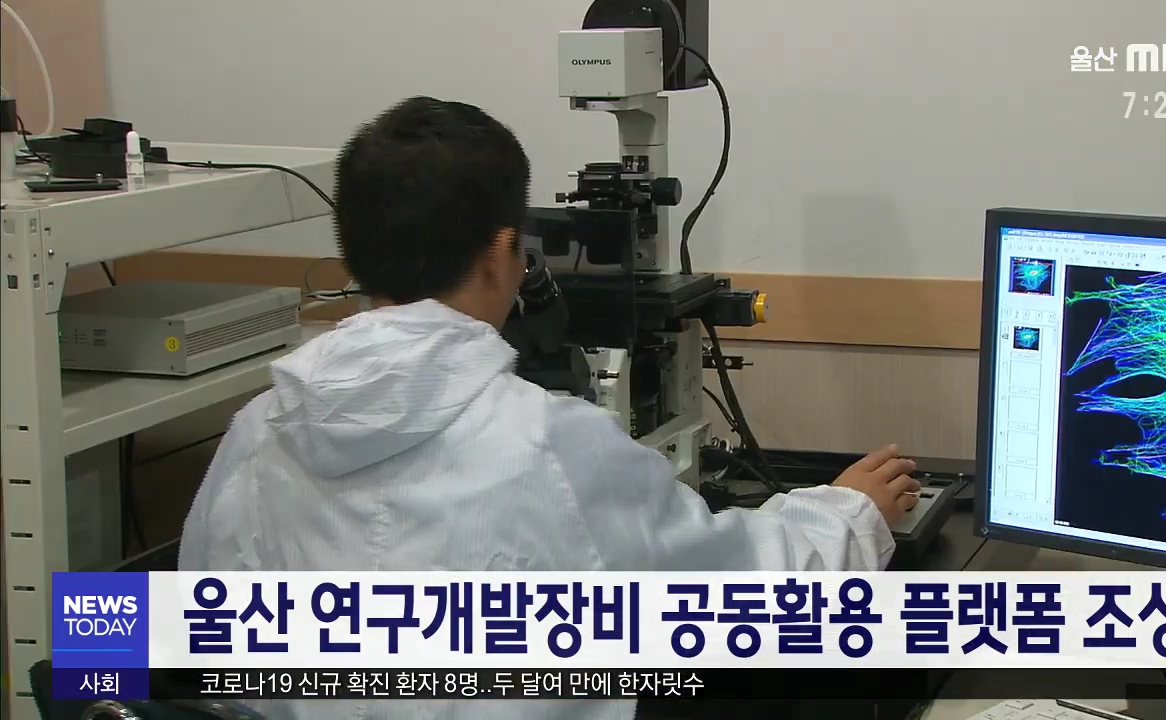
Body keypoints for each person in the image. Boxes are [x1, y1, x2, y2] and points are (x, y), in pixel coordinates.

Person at [179, 96, 922, 720]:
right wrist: (848, 512)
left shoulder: (258, 429)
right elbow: (743, 591)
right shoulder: (548, 445)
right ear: (503, 250)